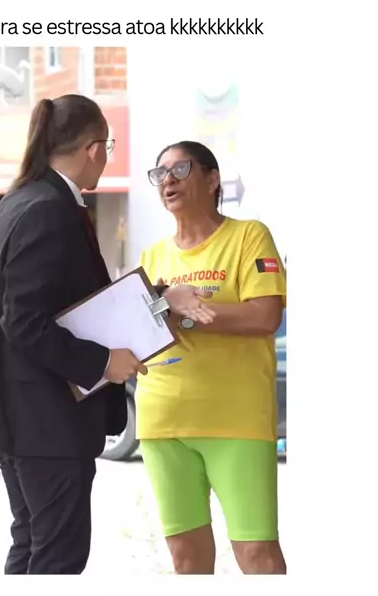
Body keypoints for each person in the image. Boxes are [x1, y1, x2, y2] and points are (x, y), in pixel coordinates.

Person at [0, 99, 214, 575]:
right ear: (93, 149)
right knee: (57, 557)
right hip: (47, 423)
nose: (106, 158)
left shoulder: (20, 201)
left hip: (21, 420)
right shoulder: (49, 210)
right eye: (107, 149)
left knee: (30, 544)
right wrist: (102, 363)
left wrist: (159, 298)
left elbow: (73, 303)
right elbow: (23, 320)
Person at [136, 141, 287, 575]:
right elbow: (142, 333)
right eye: (160, 174)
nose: (167, 180)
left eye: (180, 169)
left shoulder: (248, 236)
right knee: (186, 558)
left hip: (235, 420)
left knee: (257, 554)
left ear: (212, 178)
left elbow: (265, 315)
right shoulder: (152, 256)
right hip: (163, 421)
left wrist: (187, 313)